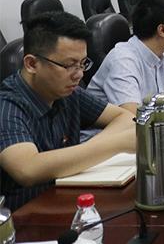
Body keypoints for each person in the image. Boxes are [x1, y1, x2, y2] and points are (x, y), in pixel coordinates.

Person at [0, 12, 135, 210]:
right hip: (25, 217)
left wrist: (97, 146)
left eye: (83, 63)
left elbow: (124, 117)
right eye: (69, 65)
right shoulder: (7, 106)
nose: (78, 74)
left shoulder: (68, 92)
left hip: (68, 201)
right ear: (32, 64)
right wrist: (115, 144)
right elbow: (27, 169)